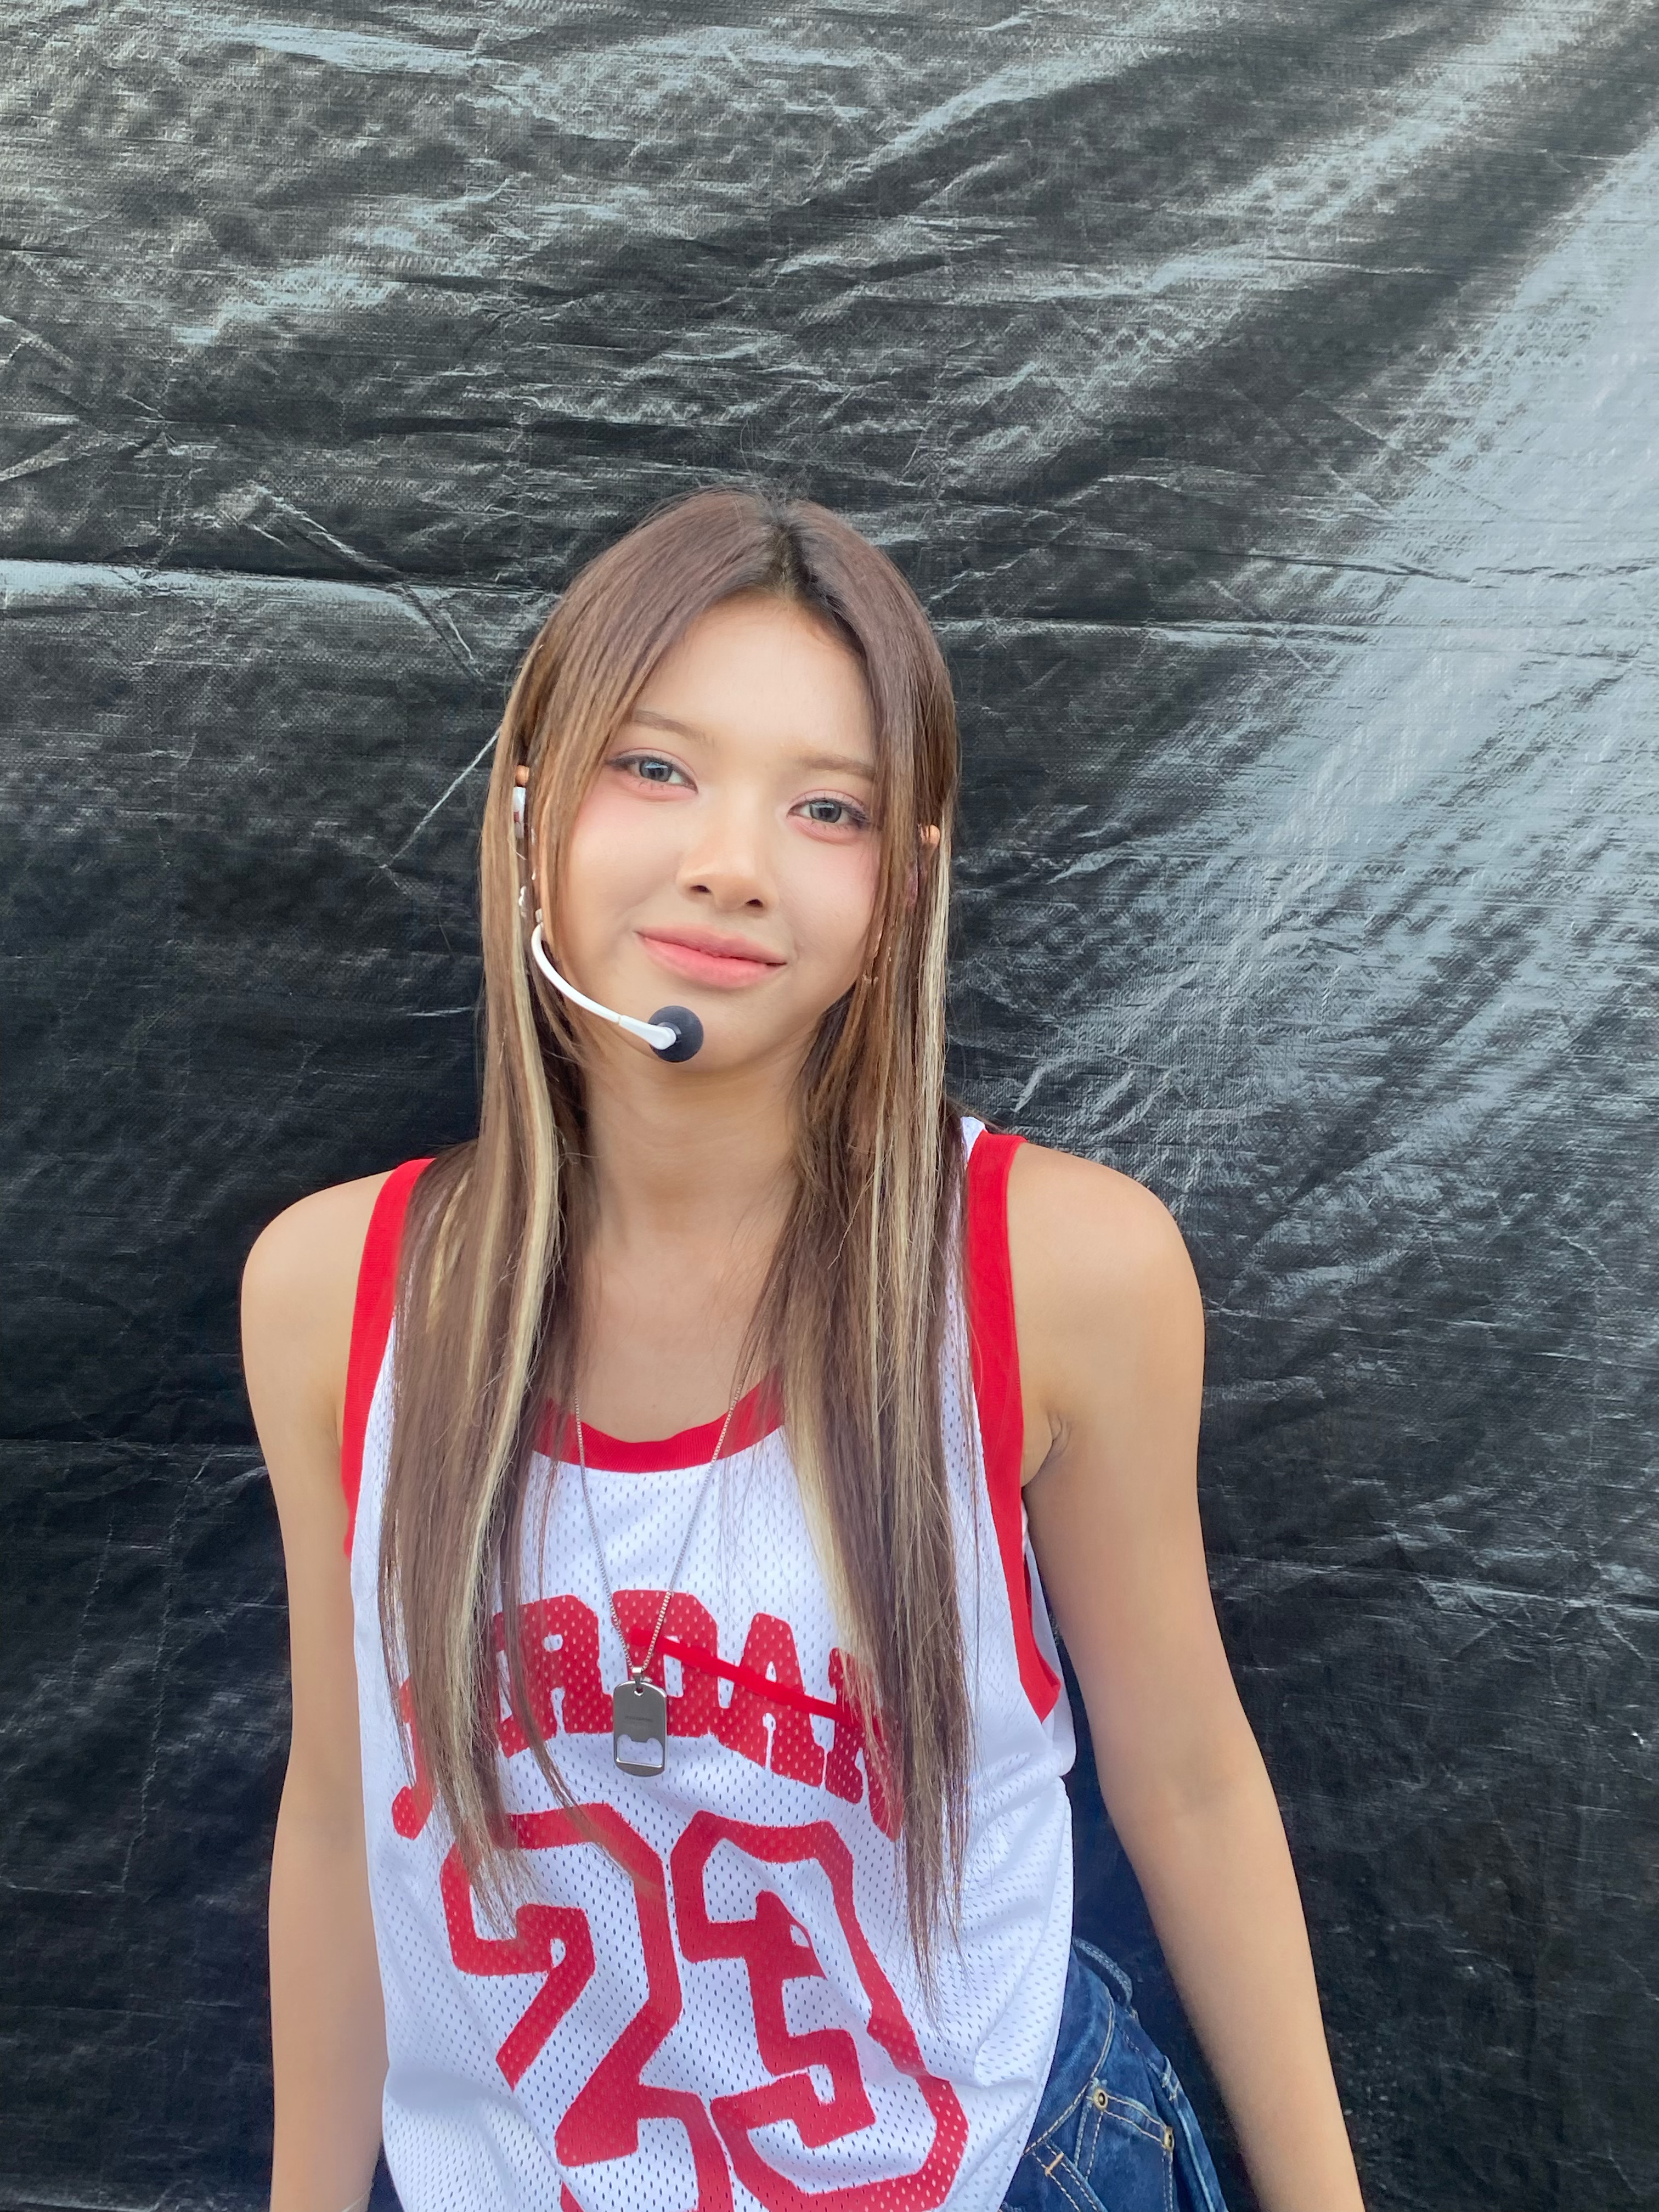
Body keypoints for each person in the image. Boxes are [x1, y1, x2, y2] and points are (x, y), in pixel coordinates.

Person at [241, 486, 1367, 2212]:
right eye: (655, 767)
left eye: (826, 805)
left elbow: (1192, 1781)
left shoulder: (1060, 1274)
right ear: (527, 811)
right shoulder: (338, 1293)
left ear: (902, 886)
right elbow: (341, 1815)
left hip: (992, 2165)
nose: (732, 861)